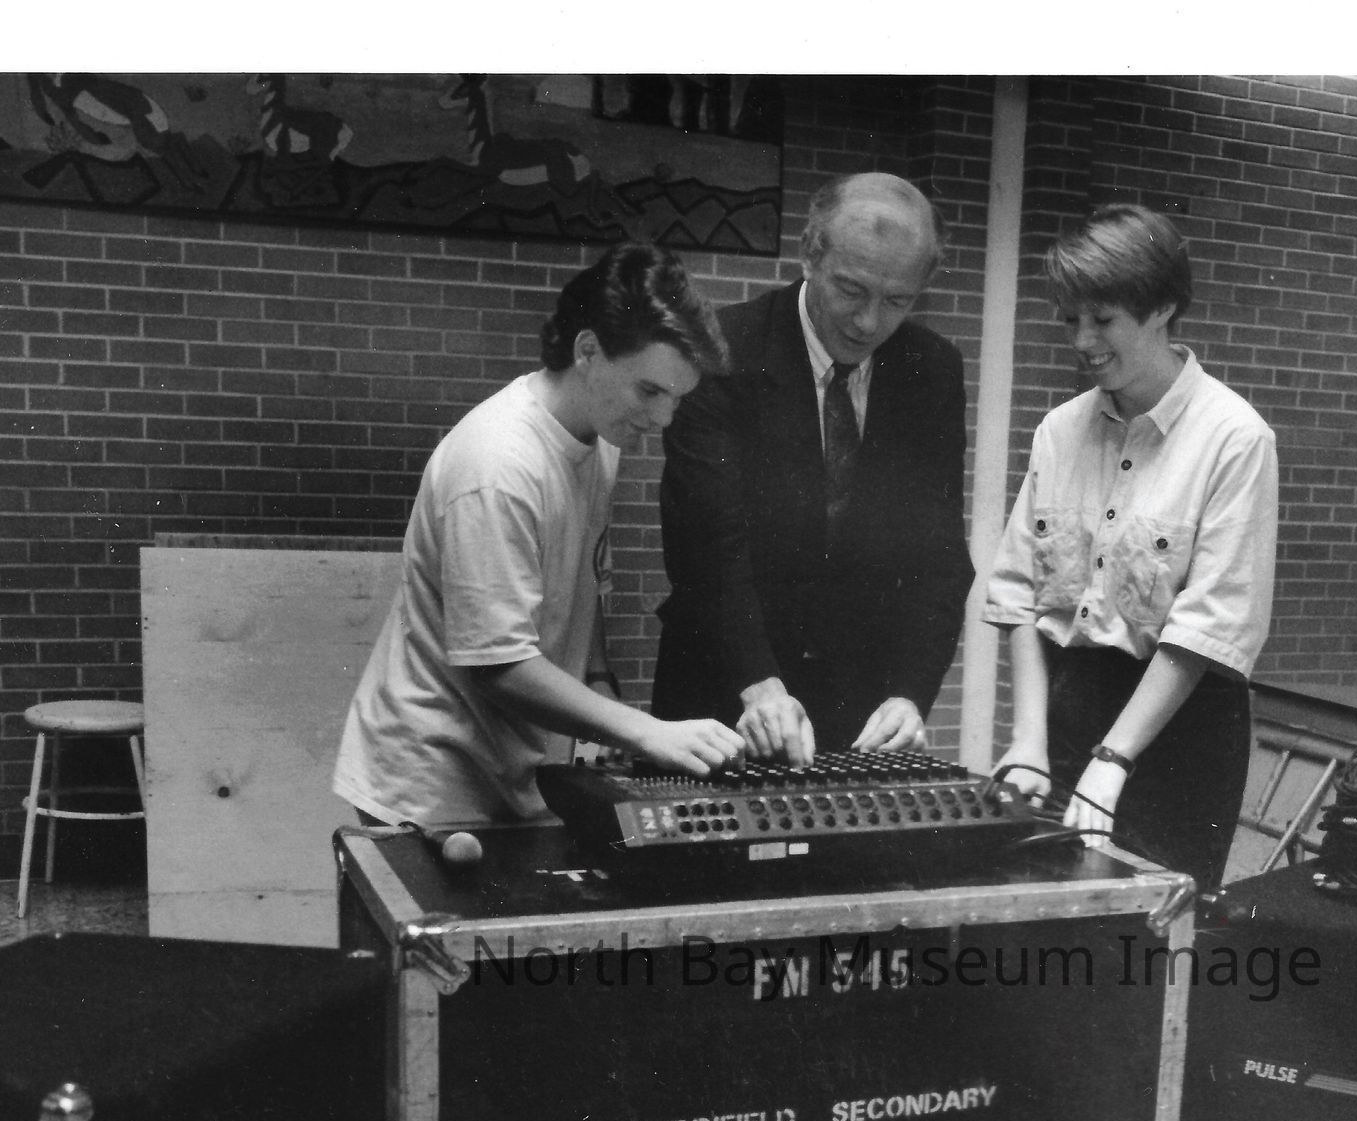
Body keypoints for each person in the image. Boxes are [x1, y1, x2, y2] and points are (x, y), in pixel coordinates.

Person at [334, 243, 744, 835]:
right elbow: (499, 664)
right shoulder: (498, 465)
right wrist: (645, 730)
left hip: (513, 768)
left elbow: (583, 582)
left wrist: (599, 680)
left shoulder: (599, 437)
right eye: (650, 391)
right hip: (428, 782)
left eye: (677, 399)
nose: (664, 420)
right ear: (588, 351)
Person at [984, 204, 1279, 888]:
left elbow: (1209, 626)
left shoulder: (1235, 440)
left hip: (1178, 731)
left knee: (1149, 932)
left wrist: (1114, 760)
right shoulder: (1058, 432)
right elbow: (1021, 593)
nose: (1083, 341)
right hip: (1066, 710)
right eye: (1071, 321)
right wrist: (1028, 739)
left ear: (1162, 308)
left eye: (1103, 319)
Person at [652, 172, 973, 766]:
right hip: (723, 691)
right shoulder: (723, 350)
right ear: (809, 255)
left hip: (859, 709)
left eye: (896, 301)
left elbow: (940, 555)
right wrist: (759, 684)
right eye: (851, 289)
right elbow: (707, 544)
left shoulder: (933, 369)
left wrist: (909, 693)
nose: (868, 322)